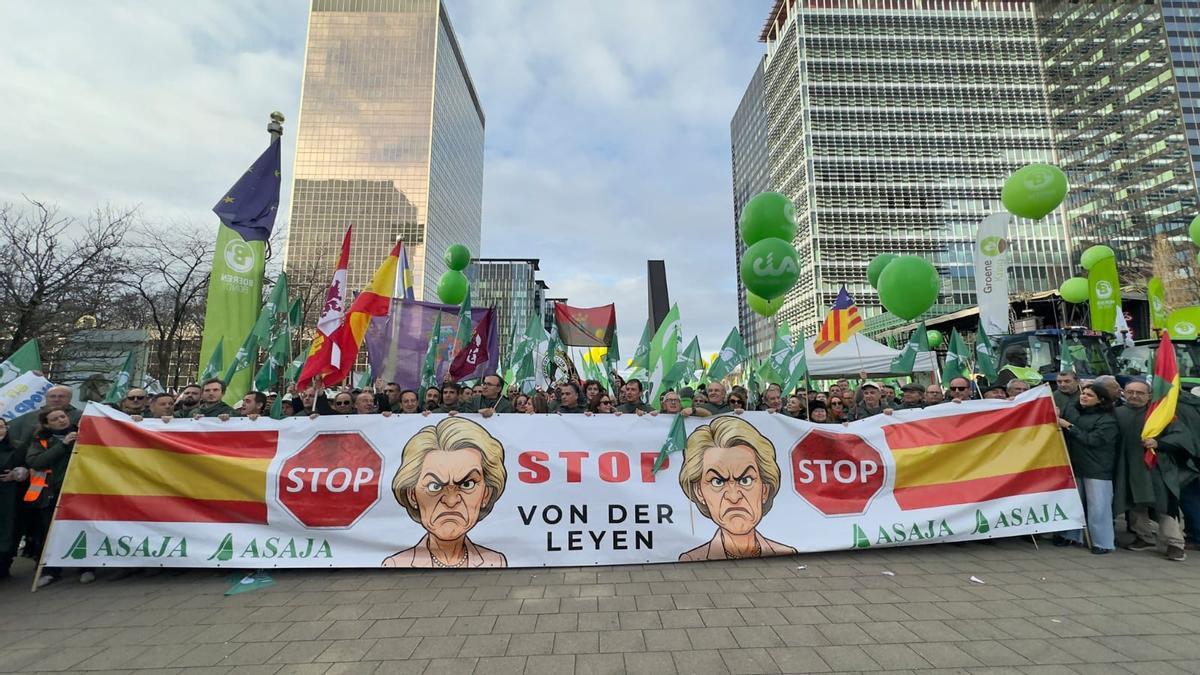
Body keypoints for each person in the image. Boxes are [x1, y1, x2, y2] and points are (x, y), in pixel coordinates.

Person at [383, 417, 507, 568]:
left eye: (467, 484)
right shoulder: (395, 564)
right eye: (434, 486)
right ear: (412, 494)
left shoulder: (496, 561)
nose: (451, 500)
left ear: (486, 494)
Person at [677, 416, 798, 561]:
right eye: (718, 482)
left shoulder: (785, 552)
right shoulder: (692, 558)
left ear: (764, 489)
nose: (734, 497)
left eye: (745, 480)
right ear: (699, 492)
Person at [1114, 379, 1192, 561]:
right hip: (1128, 466)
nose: (1134, 396)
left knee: (1164, 504)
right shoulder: (1117, 413)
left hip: (1157, 467)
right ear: (1123, 393)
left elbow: (1181, 436)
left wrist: (1160, 443)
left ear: (1149, 395)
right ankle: (1144, 537)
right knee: (1134, 502)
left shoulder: (1161, 415)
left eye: (1139, 393)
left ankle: (1175, 543)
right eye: (1130, 391)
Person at [27, 408, 92, 586]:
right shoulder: (41, 440)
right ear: (47, 424)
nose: (61, 421)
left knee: (81, 529)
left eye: (62, 416)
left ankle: (86, 568)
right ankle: (50, 570)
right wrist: (62, 445)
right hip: (52, 493)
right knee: (51, 532)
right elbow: (36, 462)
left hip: (79, 490)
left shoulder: (83, 432)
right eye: (54, 419)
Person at [1056, 384, 1119, 553]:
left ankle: (1103, 542)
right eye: (1083, 393)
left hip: (1097, 469)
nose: (1084, 397)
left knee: (1099, 507)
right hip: (1075, 465)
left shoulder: (1107, 419)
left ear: (1101, 399)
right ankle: (1070, 535)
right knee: (1074, 503)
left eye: (1090, 395)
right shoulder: (1073, 410)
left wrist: (1069, 426)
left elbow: (1093, 440)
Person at [9, 385, 83, 451]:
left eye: (61, 396)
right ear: (46, 398)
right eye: (52, 396)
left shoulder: (81, 416)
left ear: (70, 398)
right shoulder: (30, 416)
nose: (56, 399)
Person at [0, 419, 26, 578]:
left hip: (10, 495)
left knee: (9, 530)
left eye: (1, 427)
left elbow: (29, 466)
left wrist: (17, 474)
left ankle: (4, 564)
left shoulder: (18, 446)